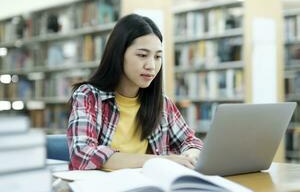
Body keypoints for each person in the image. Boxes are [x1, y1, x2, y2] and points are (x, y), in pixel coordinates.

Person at [67, 14, 203, 171]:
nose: (151, 66)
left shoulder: (161, 102)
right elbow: (82, 154)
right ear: (119, 54)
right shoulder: (88, 96)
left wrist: (191, 154)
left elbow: (190, 141)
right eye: (142, 55)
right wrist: (159, 161)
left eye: (158, 57)